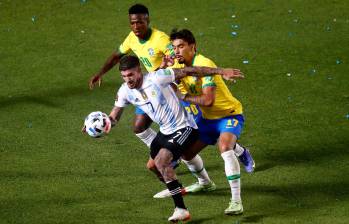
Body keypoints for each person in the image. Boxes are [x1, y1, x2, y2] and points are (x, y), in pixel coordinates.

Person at [88, 4, 216, 194]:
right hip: (145, 90)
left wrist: (168, 63)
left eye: (140, 21)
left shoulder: (161, 39)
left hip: (169, 90)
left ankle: (232, 149)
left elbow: (175, 58)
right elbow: (117, 56)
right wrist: (100, 73)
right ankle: (171, 160)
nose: (136, 26)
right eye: (133, 22)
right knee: (139, 126)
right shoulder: (132, 38)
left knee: (200, 130)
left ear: (148, 20)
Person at [107, 55, 243, 221]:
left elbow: (189, 70)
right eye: (124, 76)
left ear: (139, 71)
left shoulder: (158, 78)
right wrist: (104, 124)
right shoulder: (125, 91)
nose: (128, 80)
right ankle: (178, 188)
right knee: (153, 166)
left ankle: (181, 209)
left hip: (185, 127)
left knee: (162, 162)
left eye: (131, 75)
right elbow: (114, 115)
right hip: (165, 131)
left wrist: (221, 71)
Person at [156, 29, 255, 215]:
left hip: (229, 115)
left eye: (181, 46)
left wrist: (183, 96)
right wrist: (163, 67)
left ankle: (236, 201)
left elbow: (208, 100)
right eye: (174, 47)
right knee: (186, 154)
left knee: (225, 147)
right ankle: (205, 183)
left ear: (192, 47)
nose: (177, 51)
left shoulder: (204, 64)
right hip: (206, 120)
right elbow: (154, 82)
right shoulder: (177, 65)